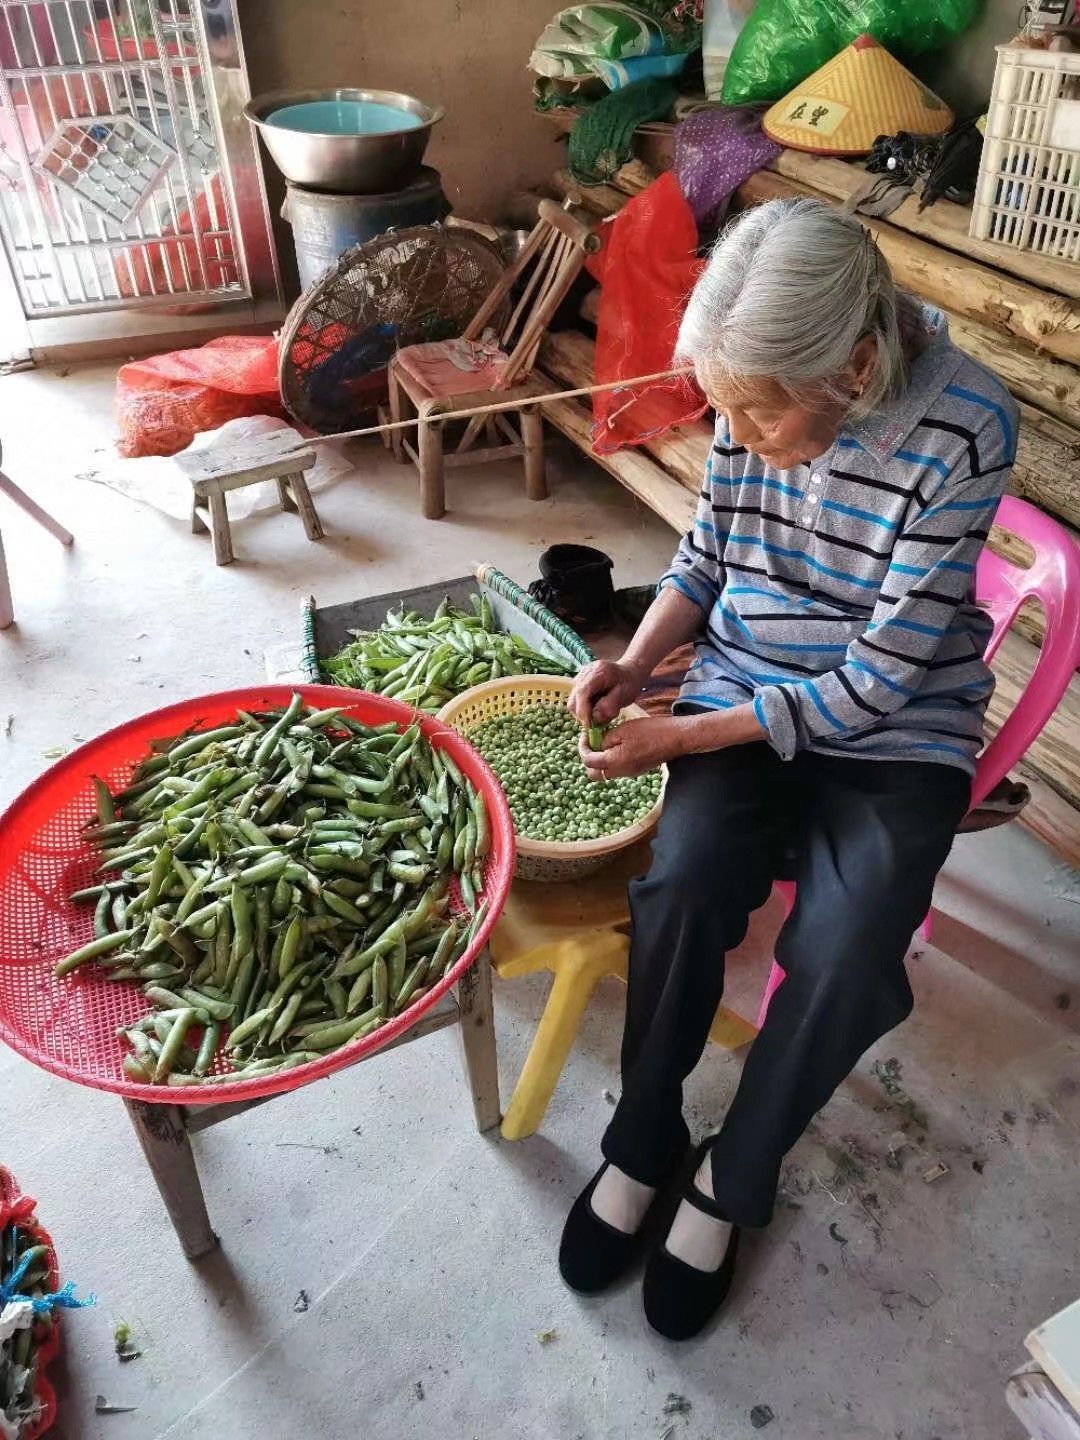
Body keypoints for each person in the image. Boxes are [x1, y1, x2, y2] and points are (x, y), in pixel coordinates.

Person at [559, 197, 1018, 1340]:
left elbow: (877, 683)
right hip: (748, 675)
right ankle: (645, 1131)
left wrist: (681, 735)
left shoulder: (964, 426)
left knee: (850, 947)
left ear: (855, 367)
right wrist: (638, 659)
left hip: (899, 723)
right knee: (682, 883)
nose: (741, 430)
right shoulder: (750, 385)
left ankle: (736, 1171)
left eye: (759, 413)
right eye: (731, 410)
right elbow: (711, 553)